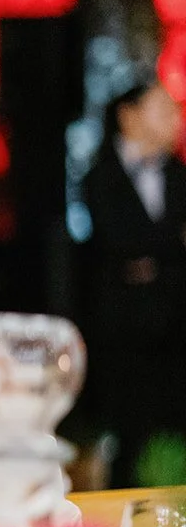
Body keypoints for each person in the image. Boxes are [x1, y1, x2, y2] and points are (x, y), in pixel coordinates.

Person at [80, 81, 186, 487]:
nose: (174, 120)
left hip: (175, 322)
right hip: (122, 328)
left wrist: (152, 258)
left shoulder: (178, 175)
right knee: (129, 433)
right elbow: (116, 241)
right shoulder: (101, 175)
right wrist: (171, 244)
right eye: (163, 109)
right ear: (129, 115)